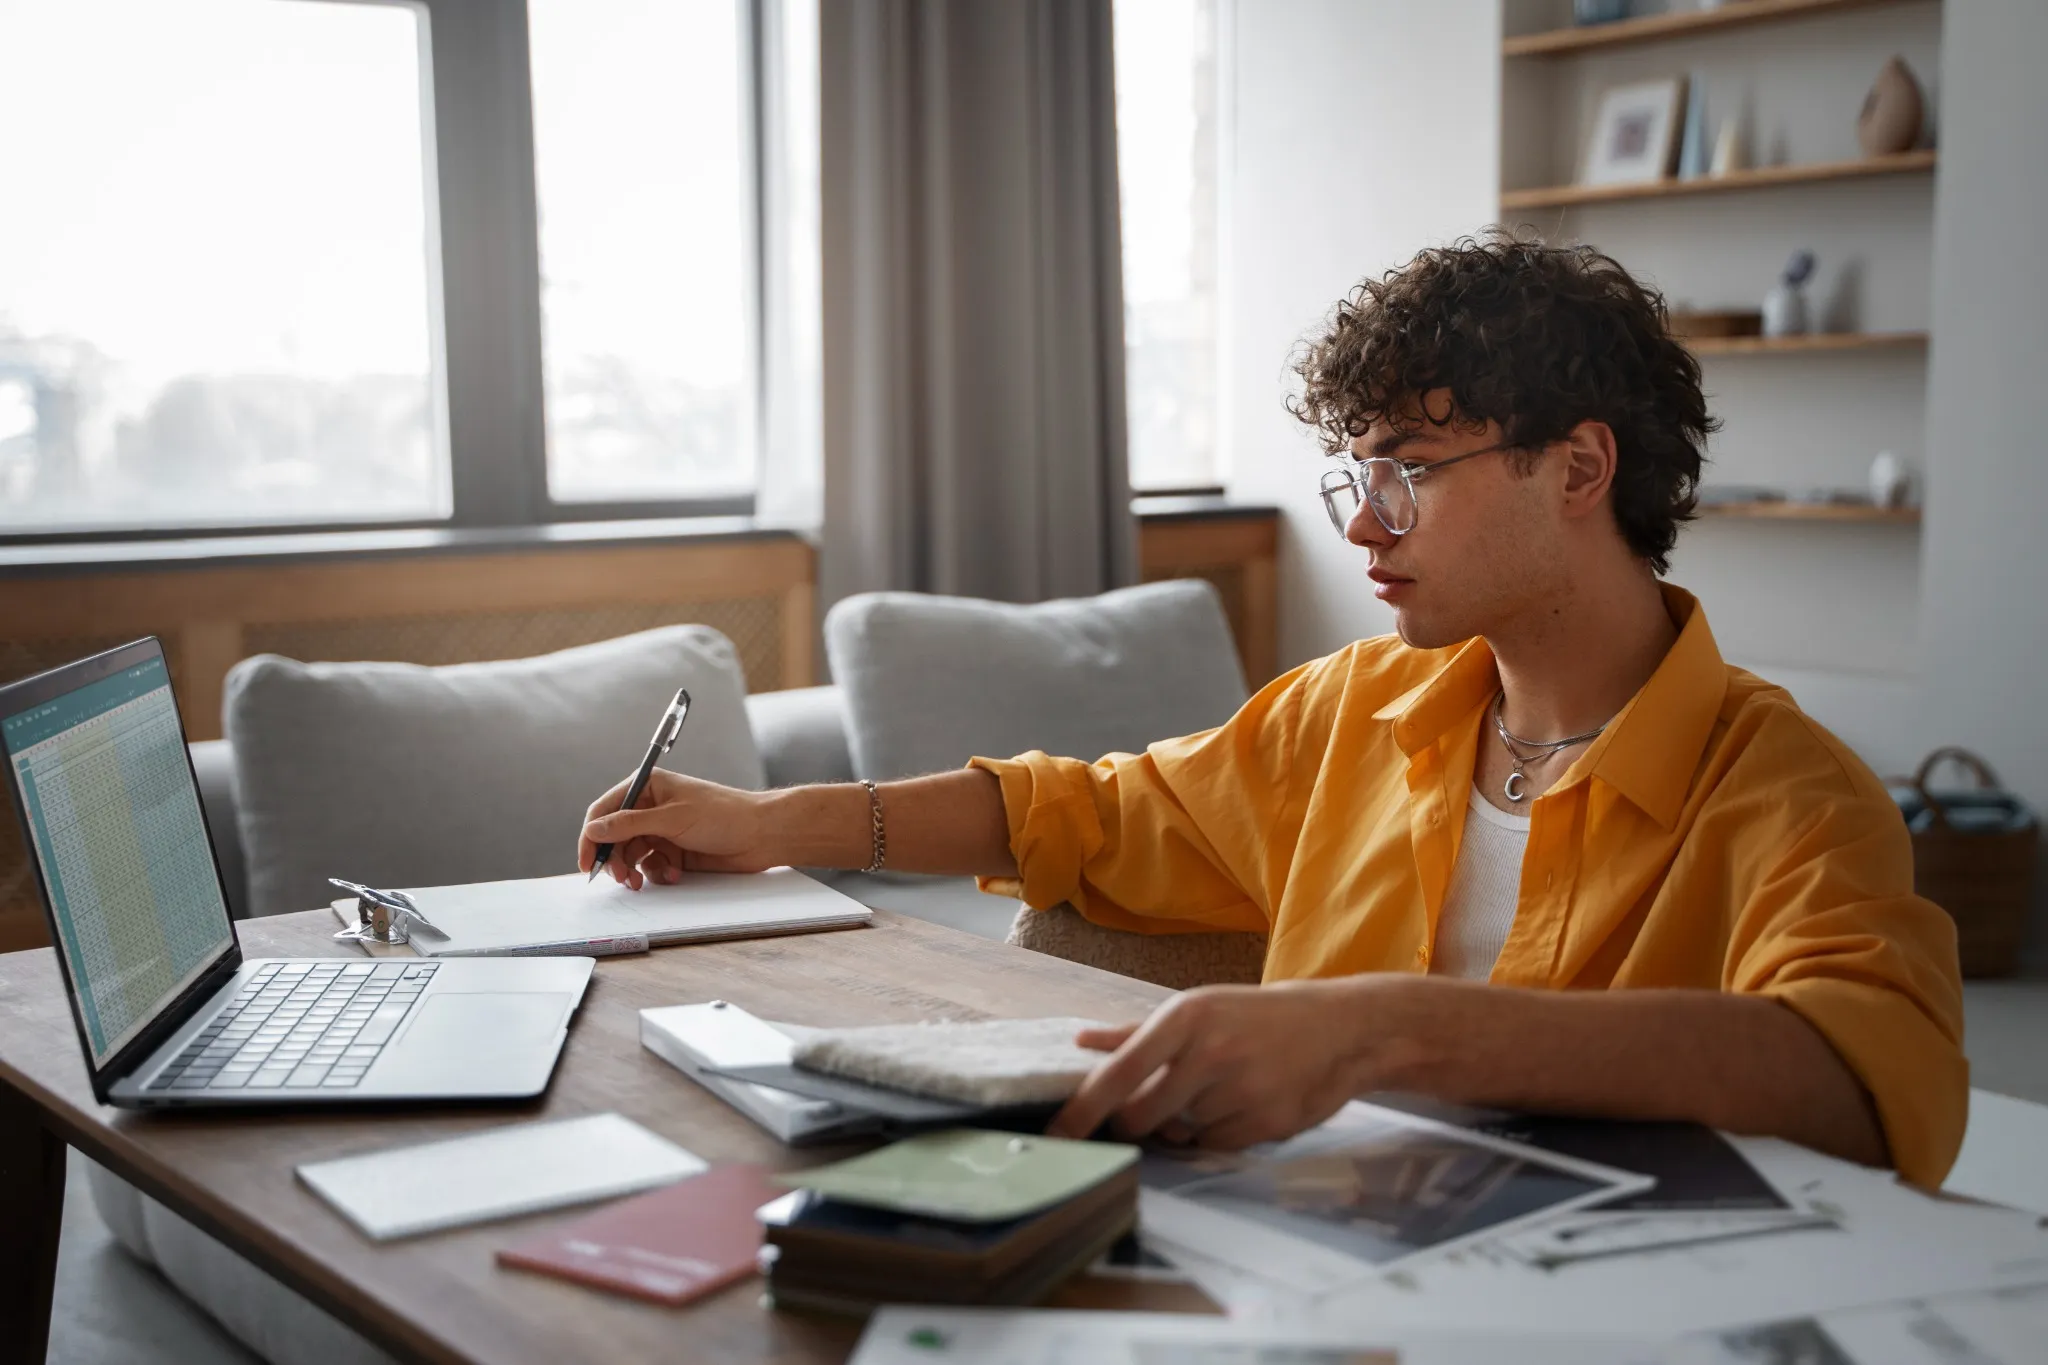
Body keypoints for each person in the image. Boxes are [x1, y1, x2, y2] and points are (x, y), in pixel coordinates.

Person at [577, 234, 1966, 1187]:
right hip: (1295, 1260)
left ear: (1580, 470)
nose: (1365, 520)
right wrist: (775, 820)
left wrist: (1386, 1029)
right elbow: (1084, 811)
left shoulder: (1791, 791)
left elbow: (1865, 1072)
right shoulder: (1354, 714)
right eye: (1353, 473)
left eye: (1412, 467)